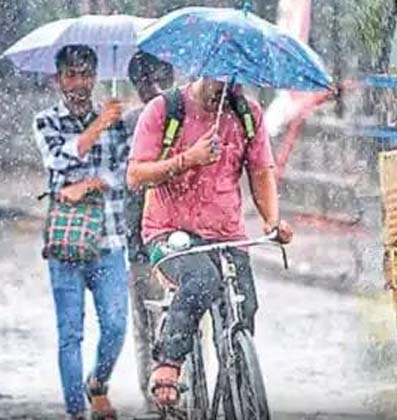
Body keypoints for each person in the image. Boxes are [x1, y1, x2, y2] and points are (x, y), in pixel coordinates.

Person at [126, 76, 293, 406]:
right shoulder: (164, 110)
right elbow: (135, 176)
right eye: (219, 81)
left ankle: (234, 403)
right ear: (202, 71)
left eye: (235, 83)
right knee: (202, 280)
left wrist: (273, 221)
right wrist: (188, 158)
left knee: (243, 311)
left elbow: (260, 172)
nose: (226, 91)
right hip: (168, 231)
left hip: (227, 234)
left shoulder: (248, 114)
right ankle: (169, 362)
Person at [32, 45, 129, 420]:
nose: (79, 82)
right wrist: (97, 126)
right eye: (71, 74)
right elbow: (58, 159)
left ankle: (98, 383)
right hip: (66, 244)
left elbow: (124, 174)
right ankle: (76, 412)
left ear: (95, 76)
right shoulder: (46, 120)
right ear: (58, 79)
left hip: (110, 240)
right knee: (70, 333)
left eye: (86, 73)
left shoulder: (116, 119)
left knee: (116, 325)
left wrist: (88, 184)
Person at [123, 50, 175, 409]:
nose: (154, 87)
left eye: (159, 79)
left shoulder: (184, 115)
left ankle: (172, 387)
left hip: (174, 236)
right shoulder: (127, 123)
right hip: (143, 237)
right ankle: (154, 395)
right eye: (147, 81)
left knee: (173, 318)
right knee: (149, 321)